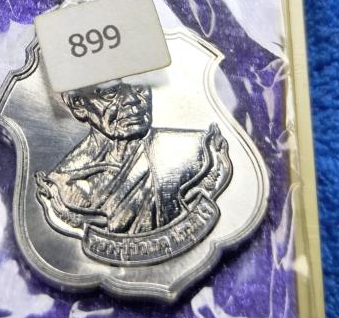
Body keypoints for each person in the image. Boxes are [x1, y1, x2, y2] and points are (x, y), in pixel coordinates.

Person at [35, 81, 232, 236]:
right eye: (109, 91)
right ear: (78, 103)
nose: (132, 99)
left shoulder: (195, 150)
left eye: (139, 86)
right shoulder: (62, 186)